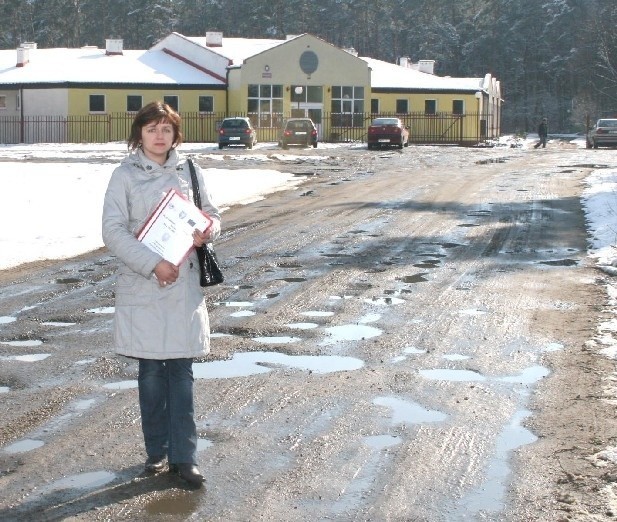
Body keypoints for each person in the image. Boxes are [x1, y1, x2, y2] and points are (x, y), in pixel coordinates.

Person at [102, 101, 221, 487]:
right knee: (152, 373)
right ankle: (157, 453)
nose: (159, 135)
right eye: (151, 128)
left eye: (166, 129)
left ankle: (185, 458)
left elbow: (213, 215)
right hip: (145, 284)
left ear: (175, 134)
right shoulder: (123, 175)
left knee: (181, 374)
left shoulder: (191, 171)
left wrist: (208, 231)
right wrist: (152, 264)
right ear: (139, 134)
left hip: (183, 285)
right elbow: (113, 231)